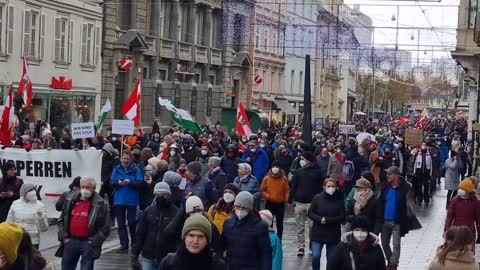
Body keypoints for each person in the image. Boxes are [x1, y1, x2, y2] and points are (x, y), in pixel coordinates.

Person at [56, 177, 110, 270]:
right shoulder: (70, 200)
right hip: (71, 241)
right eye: (83, 186)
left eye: (88, 187)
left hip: (88, 242)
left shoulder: (100, 204)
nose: (85, 189)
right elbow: (61, 220)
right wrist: (64, 237)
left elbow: (106, 226)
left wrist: (93, 241)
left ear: (93, 188)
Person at [131, 182, 178, 270]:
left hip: (167, 257)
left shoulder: (176, 213)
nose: (160, 197)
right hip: (149, 255)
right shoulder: (148, 211)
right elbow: (140, 233)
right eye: (157, 195)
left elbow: (179, 237)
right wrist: (134, 254)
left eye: (163, 195)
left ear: (168, 195)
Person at [222, 191, 272, 270]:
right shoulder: (228, 223)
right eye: (238, 206)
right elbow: (222, 245)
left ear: (250, 208)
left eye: (244, 207)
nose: (240, 210)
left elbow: (265, 253)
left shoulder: (260, 226)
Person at [159, 215, 228, 270]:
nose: (195, 241)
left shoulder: (218, 266)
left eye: (200, 236)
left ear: (207, 241)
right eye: (191, 235)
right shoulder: (168, 263)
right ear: (184, 238)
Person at [288, 152, 324, 256]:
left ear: (308, 159)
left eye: (303, 158)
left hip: (308, 203)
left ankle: (303, 246)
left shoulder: (302, 172)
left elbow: (293, 187)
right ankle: (306, 246)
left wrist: (290, 200)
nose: (301, 160)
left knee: (305, 227)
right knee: (307, 227)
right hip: (306, 203)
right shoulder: (304, 172)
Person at [376, 166, 412, 270]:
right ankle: (390, 260)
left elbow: (410, 204)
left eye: (389, 174)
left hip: (397, 221)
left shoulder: (405, 188)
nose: (387, 176)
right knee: (384, 243)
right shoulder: (384, 188)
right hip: (384, 221)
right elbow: (379, 202)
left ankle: (393, 265)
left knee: (396, 244)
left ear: (396, 175)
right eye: (387, 174)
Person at [308, 178, 345, 270]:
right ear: (324, 187)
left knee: (332, 260)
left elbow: (342, 217)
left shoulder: (339, 201)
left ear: (336, 187)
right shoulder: (317, 198)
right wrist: (319, 219)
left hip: (333, 235)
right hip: (318, 234)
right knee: (315, 257)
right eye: (328, 186)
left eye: (333, 186)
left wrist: (328, 220)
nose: (331, 188)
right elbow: (310, 213)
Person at [110, 150, 144, 253]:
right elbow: (111, 182)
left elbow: (140, 183)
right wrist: (118, 183)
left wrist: (130, 182)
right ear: (121, 158)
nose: (125, 160)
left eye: (127, 159)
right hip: (119, 200)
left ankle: (134, 243)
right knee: (121, 224)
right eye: (124, 158)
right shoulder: (116, 169)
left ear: (130, 159)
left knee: (132, 223)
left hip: (131, 200)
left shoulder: (136, 169)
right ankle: (124, 245)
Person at [6, 183, 48, 249]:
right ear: (24, 192)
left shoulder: (40, 205)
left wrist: (40, 217)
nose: (33, 192)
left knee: (30, 259)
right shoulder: (15, 203)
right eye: (30, 190)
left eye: (34, 189)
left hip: (32, 241)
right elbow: (8, 223)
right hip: (17, 239)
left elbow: (44, 229)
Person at [444, 178, 480, 250]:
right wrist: (446, 230)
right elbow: (449, 217)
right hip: (456, 231)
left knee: (468, 252)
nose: (460, 190)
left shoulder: (476, 202)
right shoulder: (455, 200)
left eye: (463, 189)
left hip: (469, 232)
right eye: (460, 188)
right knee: (454, 250)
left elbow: (478, 219)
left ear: (469, 191)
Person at [260, 161, 290, 239]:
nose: (275, 169)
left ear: (280, 168)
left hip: (280, 204)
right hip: (270, 203)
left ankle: (279, 239)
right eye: (273, 167)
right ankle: (269, 238)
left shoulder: (283, 178)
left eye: (277, 167)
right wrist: (268, 196)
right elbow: (262, 190)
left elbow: (287, 190)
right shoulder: (266, 178)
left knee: (280, 223)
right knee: (269, 222)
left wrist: (287, 200)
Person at [412, 142, 432, 206]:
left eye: (425, 145)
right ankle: (419, 200)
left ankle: (426, 200)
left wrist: (431, 173)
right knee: (419, 187)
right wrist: (414, 171)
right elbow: (414, 163)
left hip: (426, 172)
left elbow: (431, 164)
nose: (424, 146)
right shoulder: (418, 153)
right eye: (422, 145)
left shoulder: (429, 154)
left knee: (426, 186)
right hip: (419, 172)